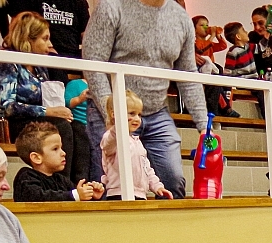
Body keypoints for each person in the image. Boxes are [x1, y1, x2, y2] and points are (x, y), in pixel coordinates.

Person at [82, 0, 206, 199]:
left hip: (157, 112)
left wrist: (204, 126)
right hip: (110, 111)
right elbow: (93, 63)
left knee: (172, 181)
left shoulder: (180, 18)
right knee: (106, 186)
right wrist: (113, 115)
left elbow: (188, 74)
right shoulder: (111, 7)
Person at [0, 11, 73, 156]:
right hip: (1, 124)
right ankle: (57, 171)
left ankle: (73, 173)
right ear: (28, 39)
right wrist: (48, 111)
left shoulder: (39, 67)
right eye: (45, 39)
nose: (50, 44)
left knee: (77, 128)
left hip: (33, 122)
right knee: (60, 126)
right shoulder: (7, 62)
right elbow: (6, 107)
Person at [99, 90, 171, 199]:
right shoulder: (112, 137)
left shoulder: (137, 142)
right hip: (119, 194)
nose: (137, 119)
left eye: (139, 114)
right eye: (132, 113)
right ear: (115, 114)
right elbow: (108, 144)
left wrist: (157, 186)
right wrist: (118, 124)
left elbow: (147, 168)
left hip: (140, 194)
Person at [11, 119, 103, 201]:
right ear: (36, 158)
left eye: (61, 148)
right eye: (55, 149)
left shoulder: (61, 180)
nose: (64, 153)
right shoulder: (26, 177)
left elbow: (76, 195)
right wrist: (75, 195)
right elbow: (39, 197)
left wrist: (91, 195)